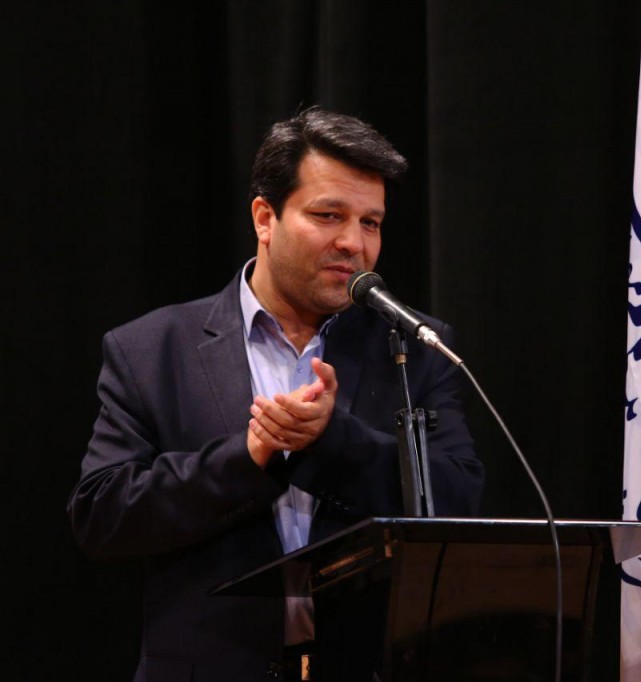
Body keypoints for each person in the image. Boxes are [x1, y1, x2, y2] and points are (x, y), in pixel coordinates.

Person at [68, 108, 484, 681]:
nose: (354, 243)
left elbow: (459, 501)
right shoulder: (151, 348)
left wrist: (333, 441)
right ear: (265, 218)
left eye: (370, 222)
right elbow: (103, 517)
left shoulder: (412, 345)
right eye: (328, 215)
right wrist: (250, 456)